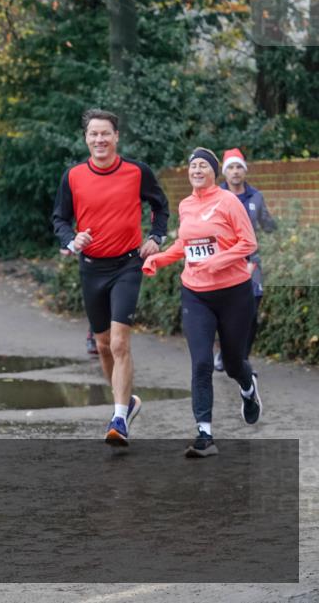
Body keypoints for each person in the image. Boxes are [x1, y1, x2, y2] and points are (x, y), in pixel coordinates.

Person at [52, 109, 169, 447]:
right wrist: (71, 240)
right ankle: (127, 402)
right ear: (86, 138)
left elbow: (160, 206)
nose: (99, 140)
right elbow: (59, 219)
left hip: (128, 265)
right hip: (91, 267)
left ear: (117, 136)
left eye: (105, 134)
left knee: (119, 342)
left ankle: (119, 417)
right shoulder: (72, 176)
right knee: (103, 345)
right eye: (93, 134)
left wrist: (156, 237)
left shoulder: (137, 172)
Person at [142, 148, 262, 457]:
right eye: (192, 166)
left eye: (203, 166)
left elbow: (248, 243)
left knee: (234, 362)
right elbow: (186, 243)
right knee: (202, 363)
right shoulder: (186, 205)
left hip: (234, 293)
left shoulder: (229, 202)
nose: (196, 170)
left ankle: (248, 390)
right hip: (195, 294)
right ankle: (204, 435)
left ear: (214, 172)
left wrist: (217, 262)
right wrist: (161, 258)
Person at [215, 147, 277, 372]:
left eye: (238, 167)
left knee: (251, 312)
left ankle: (242, 358)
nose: (235, 172)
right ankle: (225, 352)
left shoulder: (256, 197)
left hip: (252, 262)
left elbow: (268, 224)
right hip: (225, 262)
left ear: (244, 171)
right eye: (230, 167)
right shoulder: (216, 196)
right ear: (225, 172)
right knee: (226, 311)